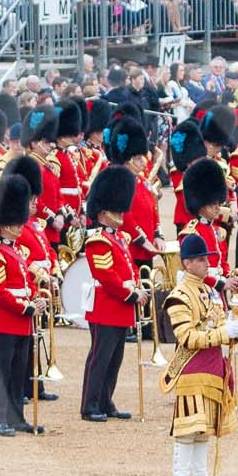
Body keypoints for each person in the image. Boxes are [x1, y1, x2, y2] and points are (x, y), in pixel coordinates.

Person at [163, 232, 238, 476]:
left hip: (212, 366)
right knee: (187, 429)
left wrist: (233, 331)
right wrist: (222, 333)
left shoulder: (208, 290)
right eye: (199, 259)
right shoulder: (179, 296)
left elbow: (217, 323)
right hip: (191, 369)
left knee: (204, 428)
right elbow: (187, 337)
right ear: (186, 263)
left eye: (205, 258)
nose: (205, 263)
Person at [78, 166, 139, 422]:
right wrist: (130, 293)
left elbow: (129, 268)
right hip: (107, 306)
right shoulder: (98, 240)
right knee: (100, 358)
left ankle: (106, 401)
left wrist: (137, 285)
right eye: (116, 210)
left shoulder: (120, 238)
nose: (120, 214)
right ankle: (89, 405)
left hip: (121, 306)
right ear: (103, 213)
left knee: (115, 359)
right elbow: (107, 276)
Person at [0, 173, 39, 437]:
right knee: (1, 373)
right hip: (5, 320)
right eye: (14, 222)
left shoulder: (18, 251)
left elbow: (28, 281)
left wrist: (36, 298)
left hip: (23, 320)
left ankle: (16, 416)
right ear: (2, 223)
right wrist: (25, 306)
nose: (18, 226)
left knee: (18, 373)